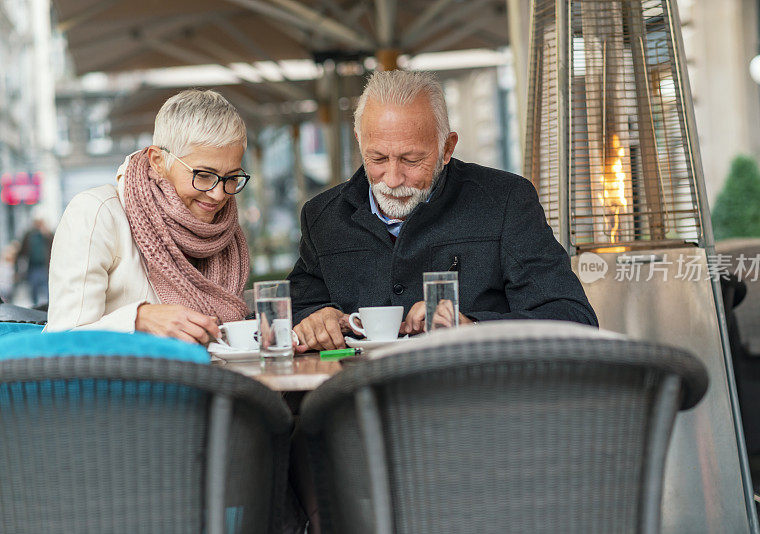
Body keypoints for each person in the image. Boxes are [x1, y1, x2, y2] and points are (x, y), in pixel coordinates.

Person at [289, 70, 597, 351]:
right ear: (359, 141)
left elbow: (573, 318)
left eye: (411, 160)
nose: (393, 180)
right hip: (361, 400)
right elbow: (291, 311)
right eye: (378, 158)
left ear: (447, 148)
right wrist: (313, 318)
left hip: (474, 400)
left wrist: (473, 328)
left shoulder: (506, 201)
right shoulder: (322, 217)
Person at [46, 89, 252, 344]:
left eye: (231, 178)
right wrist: (138, 319)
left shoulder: (224, 231)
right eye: (203, 175)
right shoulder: (96, 213)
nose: (219, 195)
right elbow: (60, 340)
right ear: (158, 160)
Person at [16, 219, 53, 306]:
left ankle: (48, 306)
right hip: (33, 266)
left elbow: (53, 244)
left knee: (47, 289)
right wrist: (18, 269)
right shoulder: (29, 235)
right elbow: (22, 252)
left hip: (44, 266)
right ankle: (36, 306)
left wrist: (46, 234)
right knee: (34, 289)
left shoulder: (46, 234)